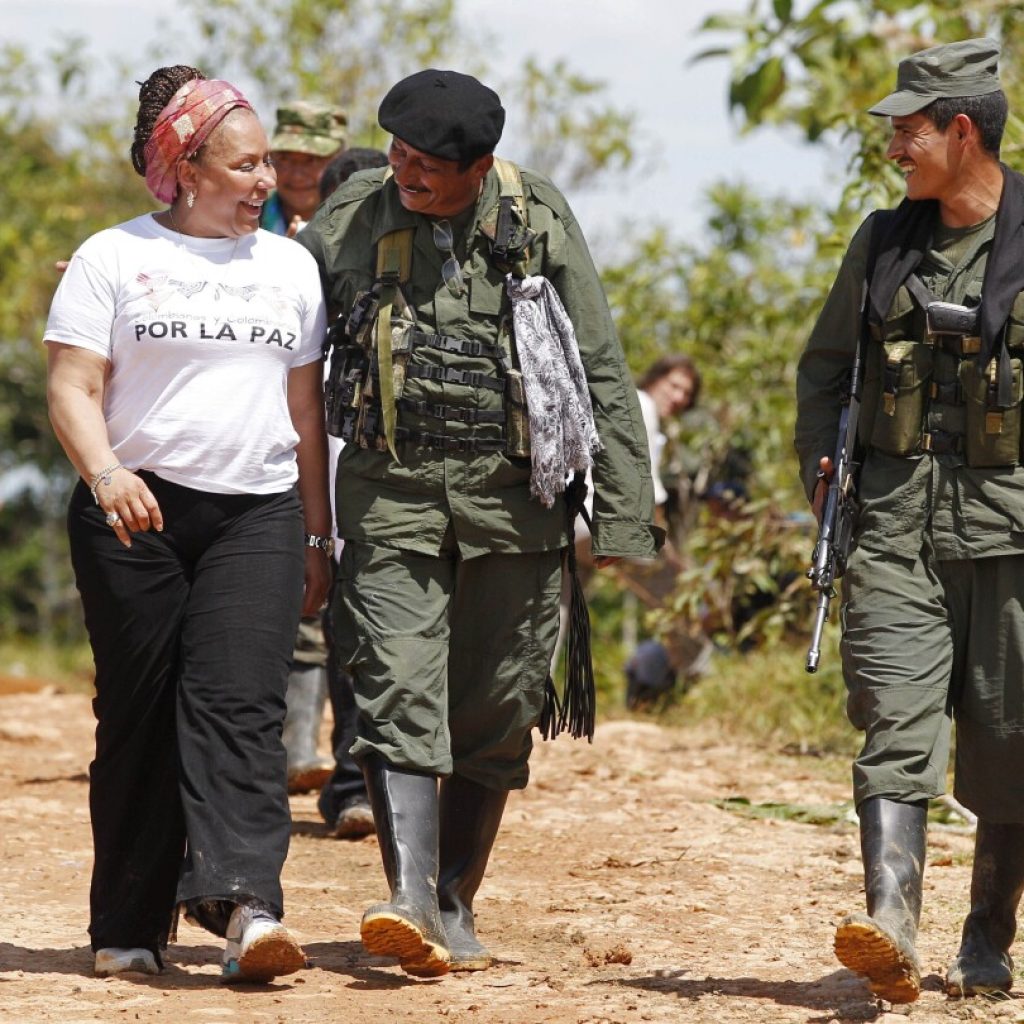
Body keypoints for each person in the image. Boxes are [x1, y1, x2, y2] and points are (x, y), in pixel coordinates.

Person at [297, 69, 659, 977]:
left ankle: (454, 898)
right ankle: (408, 894)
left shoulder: (538, 218)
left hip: (517, 503)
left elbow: (601, 366)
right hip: (393, 493)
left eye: (425, 163)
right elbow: (285, 334)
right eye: (397, 153)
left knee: (497, 708)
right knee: (396, 683)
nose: (404, 172)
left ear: (481, 164)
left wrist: (623, 515)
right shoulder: (355, 218)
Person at [44, 65, 331, 982]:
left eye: (263, 168)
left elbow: (306, 413)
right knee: (140, 711)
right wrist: (107, 472)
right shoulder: (112, 258)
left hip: (258, 512)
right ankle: (128, 918)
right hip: (137, 517)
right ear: (187, 166)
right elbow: (72, 387)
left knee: (243, 703)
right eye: (244, 166)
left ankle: (247, 905)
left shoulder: (290, 266)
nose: (263, 181)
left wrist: (320, 534)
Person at [796, 38, 1024, 1003]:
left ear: (961, 130)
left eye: (909, 128)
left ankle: (986, 934)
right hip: (891, 527)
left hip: (1012, 533)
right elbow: (822, 368)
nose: (895, 145)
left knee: (1011, 738)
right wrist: (823, 474)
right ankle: (891, 925)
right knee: (893, 718)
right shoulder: (884, 243)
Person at [312, 147, 390, 840]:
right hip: (317, 499)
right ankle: (347, 782)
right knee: (343, 644)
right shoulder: (297, 276)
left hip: (383, 497)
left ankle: (367, 782)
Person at [262, 100, 348, 237]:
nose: (297, 176)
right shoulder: (242, 224)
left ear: (340, 161)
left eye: (312, 160)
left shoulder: (363, 225)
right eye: (285, 159)